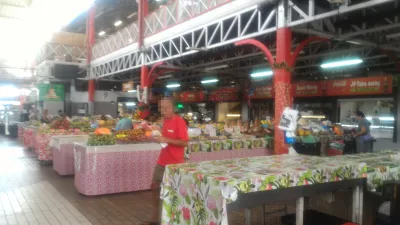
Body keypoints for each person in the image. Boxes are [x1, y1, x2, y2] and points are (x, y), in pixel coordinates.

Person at [147, 97, 188, 225]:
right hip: (162, 160)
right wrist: (156, 135)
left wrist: (166, 139)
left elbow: (184, 142)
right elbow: (164, 136)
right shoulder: (163, 120)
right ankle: (155, 217)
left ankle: (174, 217)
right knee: (154, 186)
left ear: (173, 108)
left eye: (166, 108)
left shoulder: (179, 122)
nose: (163, 111)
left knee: (174, 192)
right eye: (161, 108)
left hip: (175, 163)